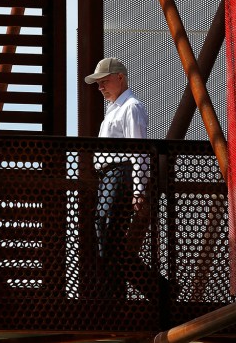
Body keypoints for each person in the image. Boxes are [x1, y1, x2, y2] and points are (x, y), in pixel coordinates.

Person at [84, 57, 149, 295]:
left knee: (109, 234)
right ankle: (116, 290)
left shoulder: (130, 107)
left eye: (104, 81)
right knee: (106, 235)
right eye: (98, 83)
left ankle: (114, 292)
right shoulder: (116, 109)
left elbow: (138, 150)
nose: (100, 87)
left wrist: (139, 190)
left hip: (119, 175)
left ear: (120, 78)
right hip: (109, 177)